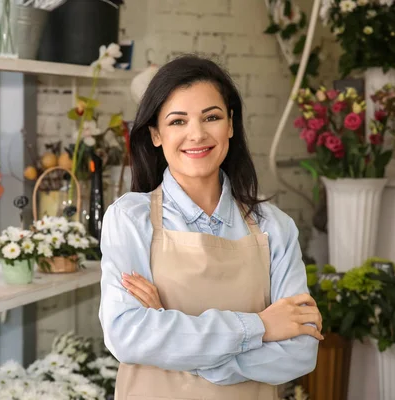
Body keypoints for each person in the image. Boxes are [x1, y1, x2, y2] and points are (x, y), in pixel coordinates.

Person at [98, 55, 322, 400]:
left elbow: (300, 351)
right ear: (156, 134)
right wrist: (261, 326)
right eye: (177, 121)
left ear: (230, 124)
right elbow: (127, 335)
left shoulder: (275, 227)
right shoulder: (130, 218)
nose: (197, 134)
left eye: (211, 117)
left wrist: (180, 348)